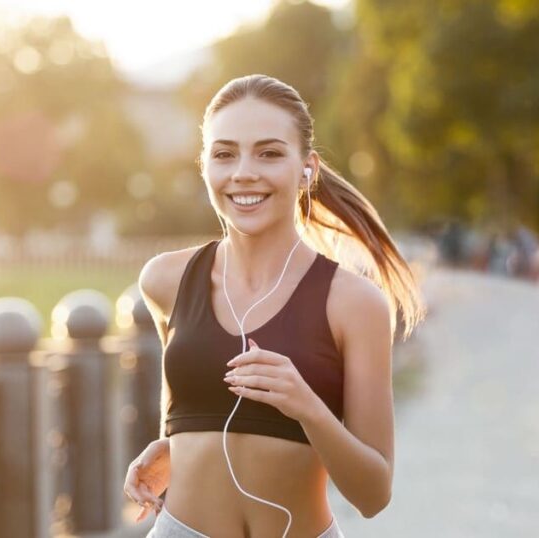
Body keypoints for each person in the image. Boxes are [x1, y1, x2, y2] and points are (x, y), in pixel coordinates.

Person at [122, 74, 423, 538]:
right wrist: (171, 445)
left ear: (307, 168)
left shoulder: (354, 304)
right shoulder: (166, 280)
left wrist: (308, 407)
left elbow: (373, 495)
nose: (243, 171)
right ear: (204, 166)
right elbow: (185, 410)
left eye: (269, 153)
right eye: (224, 154)